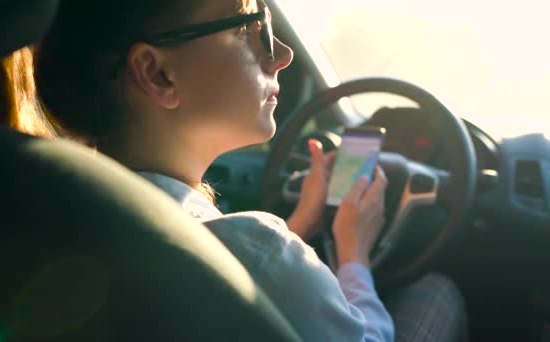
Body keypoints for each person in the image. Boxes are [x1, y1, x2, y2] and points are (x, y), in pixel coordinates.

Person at [29, 0, 466, 340]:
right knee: (438, 293)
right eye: (249, 29)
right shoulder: (259, 252)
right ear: (157, 73)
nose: (283, 55)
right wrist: (354, 255)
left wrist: (299, 227)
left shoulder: (44, 208)